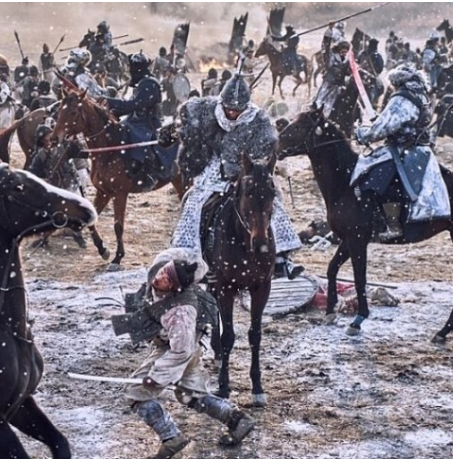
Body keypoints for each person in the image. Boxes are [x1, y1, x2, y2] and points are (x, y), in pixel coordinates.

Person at [113, 249, 255, 458]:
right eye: (163, 271)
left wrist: (156, 377)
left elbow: (181, 351)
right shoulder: (163, 265)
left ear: (175, 288)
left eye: (167, 279)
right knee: (191, 395)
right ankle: (237, 420)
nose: (160, 277)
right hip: (180, 342)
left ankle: (171, 438)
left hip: (180, 347)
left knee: (136, 392)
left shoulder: (181, 312)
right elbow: (186, 258)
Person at [169, 73, 304, 278]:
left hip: (246, 169)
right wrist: (173, 133)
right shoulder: (205, 111)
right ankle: (188, 256)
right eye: (229, 108)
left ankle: (281, 258)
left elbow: (263, 150)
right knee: (193, 204)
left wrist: (243, 165)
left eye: (237, 110)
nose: (232, 112)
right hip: (213, 168)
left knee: (269, 203)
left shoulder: (258, 120)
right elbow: (185, 129)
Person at [353, 63, 451, 240]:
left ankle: (393, 225)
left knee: (378, 181)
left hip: (403, 150)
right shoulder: (420, 95)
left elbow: (384, 127)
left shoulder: (402, 98)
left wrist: (363, 133)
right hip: (417, 149)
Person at [101, 52, 175, 186]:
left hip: (148, 123)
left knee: (138, 138)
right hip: (135, 121)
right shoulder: (141, 83)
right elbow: (130, 106)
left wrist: (111, 102)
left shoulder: (149, 83)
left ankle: (147, 171)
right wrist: (111, 113)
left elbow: (136, 104)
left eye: (131, 67)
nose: (129, 70)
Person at [314, 41, 351, 119]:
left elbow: (347, 70)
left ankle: (329, 113)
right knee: (322, 96)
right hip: (330, 80)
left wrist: (348, 70)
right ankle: (317, 108)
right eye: (343, 51)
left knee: (334, 99)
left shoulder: (347, 58)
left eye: (346, 52)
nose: (344, 53)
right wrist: (336, 69)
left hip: (339, 82)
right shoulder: (333, 55)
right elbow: (329, 66)